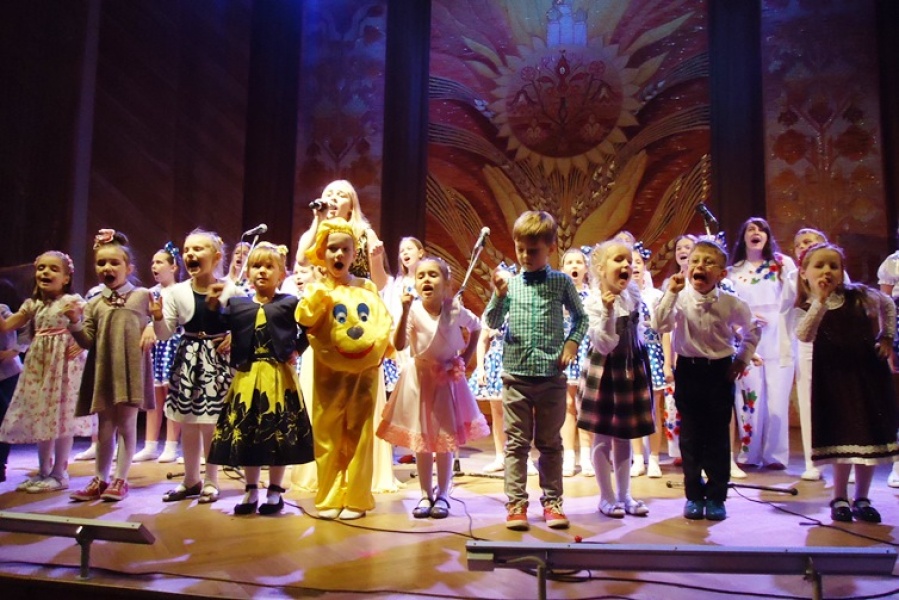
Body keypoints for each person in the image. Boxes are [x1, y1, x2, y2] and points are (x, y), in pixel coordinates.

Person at [484, 210, 587, 531]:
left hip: (551, 377)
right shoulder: (511, 284)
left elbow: (581, 318)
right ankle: (516, 503)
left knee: (550, 443)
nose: (526, 256)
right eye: (520, 249)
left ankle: (553, 502)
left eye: (533, 250)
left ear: (551, 248)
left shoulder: (560, 282)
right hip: (515, 376)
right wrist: (499, 295)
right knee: (516, 444)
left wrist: (571, 344)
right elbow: (492, 321)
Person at [295, 180, 398, 494]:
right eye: (329, 194)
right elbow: (302, 260)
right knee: (323, 406)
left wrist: (376, 259)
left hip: (357, 323)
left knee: (357, 409)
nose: (333, 198)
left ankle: (358, 482)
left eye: (341, 195)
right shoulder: (317, 230)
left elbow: (380, 283)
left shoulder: (365, 233)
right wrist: (317, 220)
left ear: (352, 203)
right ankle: (324, 478)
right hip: (325, 321)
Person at [654, 239, 760, 521]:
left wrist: (742, 358)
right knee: (690, 436)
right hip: (688, 370)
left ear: (721, 274)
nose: (700, 265)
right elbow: (659, 324)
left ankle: (715, 496)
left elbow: (752, 331)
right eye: (695, 261)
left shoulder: (731, 303)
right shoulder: (679, 298)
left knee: (717, 436)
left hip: (719, 371)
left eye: (708, 262)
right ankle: (693, 495)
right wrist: (671, 294)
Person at [377, 256, 489, 519]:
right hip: (419, 381)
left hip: (447, 381)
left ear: (446, 283)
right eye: (421, 276)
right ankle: (425, 493)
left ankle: (443, 494)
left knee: (444, 440)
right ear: (415, 283)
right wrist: (404, 310)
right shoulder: (413, 311)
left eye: (433, 275)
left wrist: (465, 358)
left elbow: (476, 328)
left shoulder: (454, 309)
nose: (426, 280)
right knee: (422, 440)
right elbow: (400, 344)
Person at [207, 242, 314, 515]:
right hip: (247, 376)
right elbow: (217, 325)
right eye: (256, 266)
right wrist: (213, 306)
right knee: (248, 431)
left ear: (281, 274)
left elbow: (308, 328)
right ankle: (251, 488)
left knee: (279, 431)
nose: (262, 271)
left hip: (278, 376)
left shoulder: (289, 303)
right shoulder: (238, 305)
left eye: (269, 266)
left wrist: (296, 350)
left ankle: (275, 490)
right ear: (248, 273)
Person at [795, 243, 899, 522]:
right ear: (804, 273)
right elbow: (804, 335)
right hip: (834, 379)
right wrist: (820, 300)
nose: (827, 271)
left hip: (866, 374)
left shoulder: (861, 296)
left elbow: (888, 303)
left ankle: (862, 497)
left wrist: (887, 336)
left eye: (834, 266)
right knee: (842, 438)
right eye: (819, 266)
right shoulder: (809, 305)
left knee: (866, 437)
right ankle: (839, 496)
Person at [68, 229, 155, 501]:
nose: (107, 267)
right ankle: (100, 478)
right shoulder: (94, 302)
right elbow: (86, 340)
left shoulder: (142, 295)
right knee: (104, 427)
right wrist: (75, 322)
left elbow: (161, 324)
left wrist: (153, 325)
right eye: (101, 263)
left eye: (114, 262)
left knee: (127, 424)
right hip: (104, 370)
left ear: (129, 268)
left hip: (131, 369)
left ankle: (121, 479)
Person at [152, 228, 235, 504]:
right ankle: (190, 480)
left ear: (216, 257)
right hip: (188, 358)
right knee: (187, 421)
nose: (191, 254)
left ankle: (211, 481)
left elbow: (244, 322)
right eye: (187, 249)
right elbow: (165, 333)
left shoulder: (230, 288)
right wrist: (157, 318)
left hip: (216, 360)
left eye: (198, 249)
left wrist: (234, 335)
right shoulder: (177, 292)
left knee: (210, 423)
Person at [0, 251, 94, 492]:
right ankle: (43, 471)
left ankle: (60, 473)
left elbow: (90, 326)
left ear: (66, 278)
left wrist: (80, 342)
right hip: (40, 365)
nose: (45, 272)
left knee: (62, 419)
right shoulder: (33, 304)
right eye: (41, 268)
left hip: (64, 367)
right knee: (43, 416)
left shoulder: (72, 301)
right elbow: (8, 325)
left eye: (53, 269)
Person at [577, 240, 654, 518]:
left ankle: (625, 495)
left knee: (625, 436)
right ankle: (606, 497)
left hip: (629, 368)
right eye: (618, 260)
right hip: (605, 370)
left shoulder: (632, 294)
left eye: (629, 261)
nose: (626, 265)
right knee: (602, 436)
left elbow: (640, 330)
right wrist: (608, 312)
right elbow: (604, 344)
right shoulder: (592, 302)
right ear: (600, 268)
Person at [729, 218, 796, 470]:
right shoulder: (733, 271)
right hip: (747, 337)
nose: (756, 233)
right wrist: (744, 320)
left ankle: (775, 455)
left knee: (777, 399)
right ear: (743, 237)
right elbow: (729, 307)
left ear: (768, 236)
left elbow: (795, 297)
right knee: (750, 398)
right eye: (750, 229)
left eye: (761, 230)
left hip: (779, 336)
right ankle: (749, 454)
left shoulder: (782, 264)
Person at [133, 244, 183, 463]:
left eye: (160, 262)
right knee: (154, 397)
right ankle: (150, 445)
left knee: (173, 395)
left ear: (173, 267)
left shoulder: (180, 291)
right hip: (155, 349)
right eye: (153, 262)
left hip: (174, 344)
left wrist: (155, 324)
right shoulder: (149, 293)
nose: (154, 266)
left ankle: (171, 446)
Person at [630, 244, 667, 479]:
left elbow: (666, 330)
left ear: (645, 266)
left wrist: (666, 362)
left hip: (652, 352)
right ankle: (637, 459)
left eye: (638, 262)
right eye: (630, 262)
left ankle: (654, 458)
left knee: (654, 408)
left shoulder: (655, 296)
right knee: (634, 407)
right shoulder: (624, 295)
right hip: (632, 352)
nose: (634, 266)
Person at [559, 247, 594, 478]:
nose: (574, 266)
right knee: (568, 404)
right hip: (565, 353)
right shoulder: (558, 296)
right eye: (569, 262)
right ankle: (569, 456)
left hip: (586, 353)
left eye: (578, 262)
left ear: (586, 268)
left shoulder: (592, 296)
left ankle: (587, 457)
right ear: (562, 268)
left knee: (585, 406)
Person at [0, 303, 24, 483]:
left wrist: (15, 350)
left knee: (3, 418)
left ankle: (0, 464)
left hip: (5, 373)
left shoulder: (2, 310)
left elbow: (27, 326)